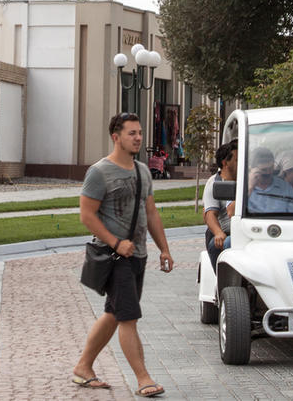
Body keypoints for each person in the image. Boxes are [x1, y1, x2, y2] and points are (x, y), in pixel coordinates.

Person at [72, 112, 171, 397]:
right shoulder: (99, 172)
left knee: (115, 314)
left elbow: (150, 212)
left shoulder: (142, 171)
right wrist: (116, 243)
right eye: (131, 133)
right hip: (115, 257)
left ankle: (83, 368)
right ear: (116, 137)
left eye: (139, 132)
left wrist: (164, 248)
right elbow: (87, 216)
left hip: (138, 255)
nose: (138, 137)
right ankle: (144, 379)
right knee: (128, 317)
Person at [203, 140, 238, 265]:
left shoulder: (248, 179)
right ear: (225, 163)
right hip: (227, 232)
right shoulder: (214, 183)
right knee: (218, 244)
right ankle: (223, 281)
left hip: (249, 230)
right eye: (237, 160)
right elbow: (210, 214)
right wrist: (218, 233)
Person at [246, 147, 293, 214]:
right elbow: (233, 213)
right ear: (252, 169)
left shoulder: (286, 188)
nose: (268, 173)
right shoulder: (242, 187)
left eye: (271, 168)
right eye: (263, 170)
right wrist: (250, 187)